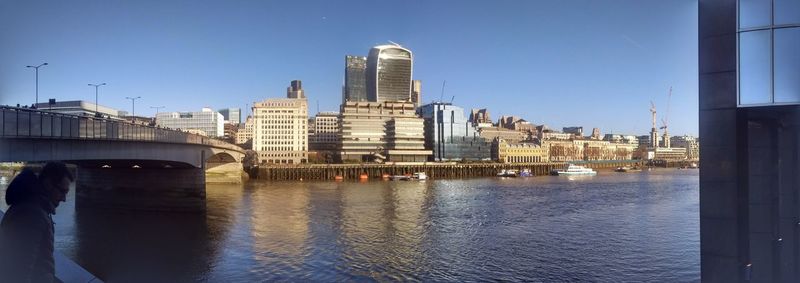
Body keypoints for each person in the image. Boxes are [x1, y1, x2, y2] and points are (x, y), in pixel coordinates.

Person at [0, 162, 73, 282]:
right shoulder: (32, 215)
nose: (64, 199)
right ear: (48, 184)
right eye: (62, 191)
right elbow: (19, 272)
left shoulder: (30, 205)